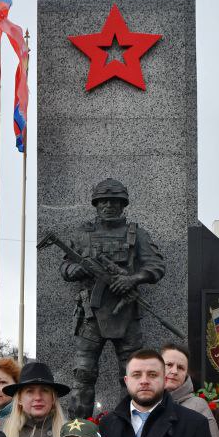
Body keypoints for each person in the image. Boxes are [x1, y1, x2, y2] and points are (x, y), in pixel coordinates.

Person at [56, 178, 166, 416]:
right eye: (103, 201)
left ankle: (133, 424)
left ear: (122, 204)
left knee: (133, 375)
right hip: (90, 315)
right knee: (83, 374)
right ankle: (78, 427)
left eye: (114, 201)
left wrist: (133, 279)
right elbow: (65, 267)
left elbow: (156, 266)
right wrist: (76, 270)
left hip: (127, 313)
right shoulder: (83, 234)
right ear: (96, 204)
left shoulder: (137, 234)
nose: (108, 206)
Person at [161, 343, 219, 437]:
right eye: (169, 365)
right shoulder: (144, 402)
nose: (174, 371)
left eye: (181, 368)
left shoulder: (198, 406)